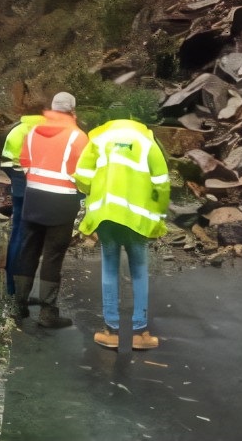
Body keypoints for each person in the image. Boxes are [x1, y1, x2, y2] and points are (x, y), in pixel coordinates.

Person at [74, 118, 170, 350]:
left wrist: (95, 190)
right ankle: (140, 333)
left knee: (109, 269)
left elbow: (81, 176)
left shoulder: (98, 140)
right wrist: (158, 214)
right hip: (137, 220)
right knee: (139, 271)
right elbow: (162, 183)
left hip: (107, 218)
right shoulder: (148, 142)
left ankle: (111, 331)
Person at [10, 92, 87, 329]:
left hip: (34, 198)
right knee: (53, 256)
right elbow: (84, 173)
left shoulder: (33, 132)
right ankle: (47, 312)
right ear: (73, 111)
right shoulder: (78, 136)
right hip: (62, 202)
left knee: (28, 249)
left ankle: (18, 305)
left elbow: (23, 162)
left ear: (52, 110)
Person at [0, 111, 45, 300]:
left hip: (19, 188)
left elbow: (5, 164)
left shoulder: (15, 131)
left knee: (17, 235)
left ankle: (12, 287)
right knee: (34, 241)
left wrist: (17, 181)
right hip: (39, 188)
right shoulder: (46, 131)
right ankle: (23, 294)